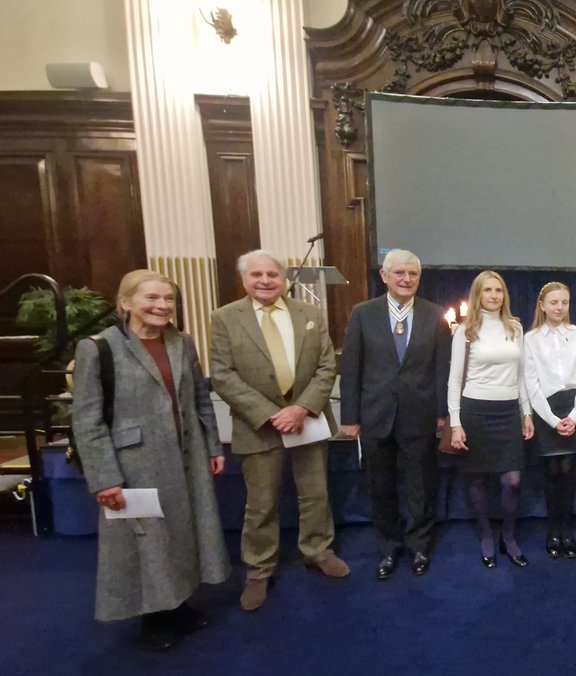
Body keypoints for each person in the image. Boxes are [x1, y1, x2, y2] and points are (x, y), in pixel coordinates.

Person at [72, 269, 230, 651]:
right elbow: (87, 419)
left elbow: (199, 400)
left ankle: (178, 605)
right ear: (125, 303)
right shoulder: (98, 348)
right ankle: (155, 618)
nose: (162, 306)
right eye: (152, 298)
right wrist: (104, 477)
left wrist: (212, 446)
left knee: (184, 530)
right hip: (135, 461)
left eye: (169, 299)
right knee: (148, 539)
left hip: (187, 455)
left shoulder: (182, 342)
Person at [209, 249, 345, 612]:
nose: (266, 280)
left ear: (284, 279)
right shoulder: (224, 318)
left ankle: (318, 550)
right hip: (259, 426)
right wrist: (272, 414)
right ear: (244, 279)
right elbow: (222, 375)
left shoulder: (310, 314)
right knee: (261, 502)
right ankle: (259, 568)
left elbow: (326, 365)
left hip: (308, 419)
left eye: (273, 274)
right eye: (257, 275)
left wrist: (300, 409)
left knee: (315, 493)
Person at [340, 249, 451, 580]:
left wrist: (442, 413)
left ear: (419, 278)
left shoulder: (435, 315)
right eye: (399, 273)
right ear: (384, 276)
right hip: (375, 415)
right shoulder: (363, 314)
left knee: (421, 483)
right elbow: (351, 369)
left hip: (420, 415)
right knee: (381, 485)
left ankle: (419, 544)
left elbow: (441, 368)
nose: (406, 279)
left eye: (413, 274)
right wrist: (349, 417)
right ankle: (388, 547)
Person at [448, 270, 535, 568]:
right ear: (478, 295)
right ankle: (487, 534)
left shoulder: (515, 328)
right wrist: (456, 422)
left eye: (498, 290)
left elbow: (521, 375)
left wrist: (527, 412)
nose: (494, 295)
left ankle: (508, 536)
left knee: (512, 481)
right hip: (475, 410)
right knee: (478, 479)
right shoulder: (466, 330)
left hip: (508, 411)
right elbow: (454, 379)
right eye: (487, 290)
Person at [523, 282, 576, 559]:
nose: (559, 308)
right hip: (546, 411)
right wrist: (553, 420)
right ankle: (553, 529)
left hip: (575, 408)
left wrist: (574, 416)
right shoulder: (531, 338)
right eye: (554, 302)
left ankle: (567, 528)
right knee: (551, 472)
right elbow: (531, 383)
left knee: (570, 472)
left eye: (564, 302)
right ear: (542, 305)